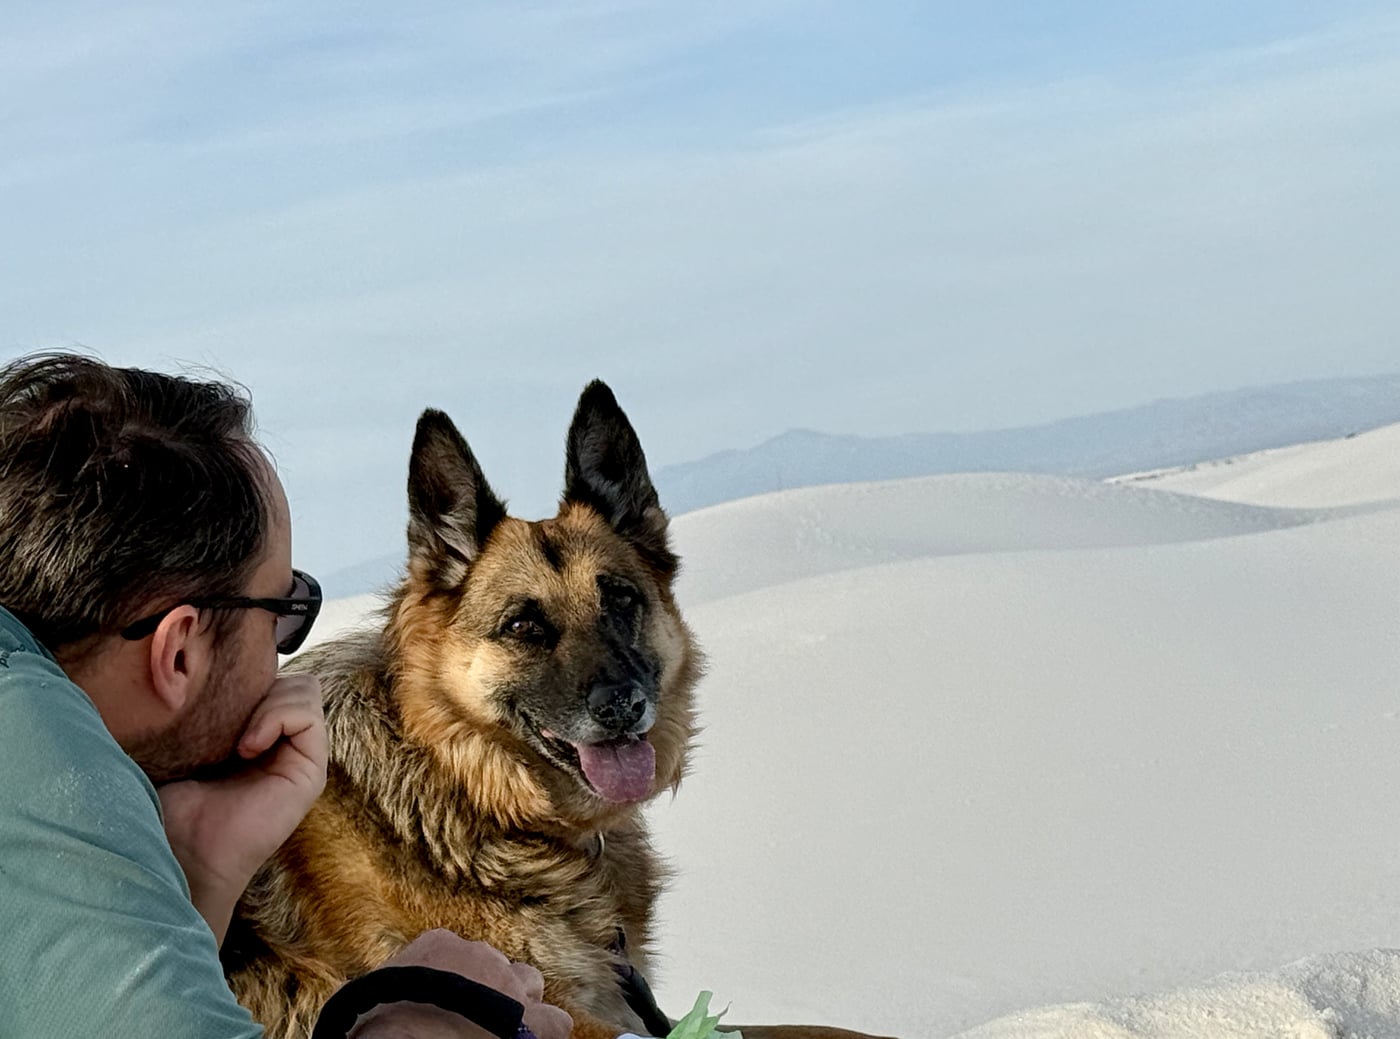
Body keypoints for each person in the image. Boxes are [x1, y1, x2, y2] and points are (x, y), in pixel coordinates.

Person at [0, 353, 573, 1039]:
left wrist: (207, 869)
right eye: (283, 611)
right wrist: (421, 1023)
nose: (286, 659)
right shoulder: (37, 752)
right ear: (179, 652)